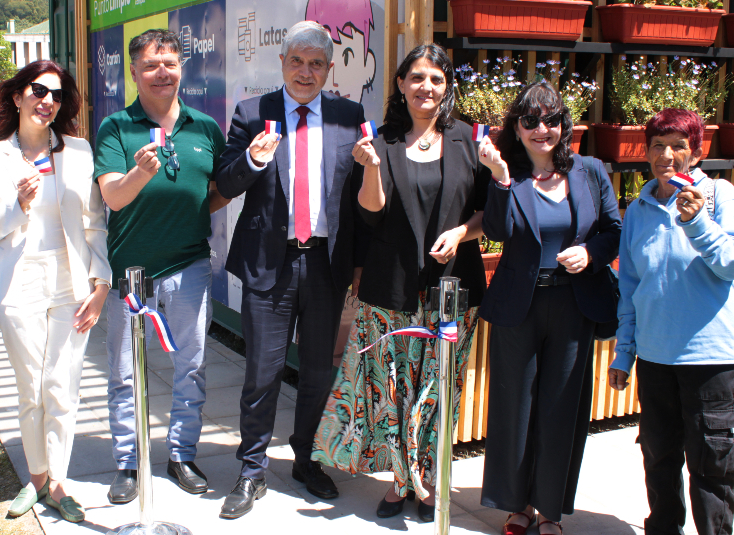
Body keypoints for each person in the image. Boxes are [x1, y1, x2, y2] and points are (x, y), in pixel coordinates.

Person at [312, 44, 490, 522]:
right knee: (393, 390)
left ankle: (427, 481)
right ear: (400, 84)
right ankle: (398, 481)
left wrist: (461, 232)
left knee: (437, 390)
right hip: (390, 288)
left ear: (447, 85)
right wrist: (370, 167)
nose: (425, 87)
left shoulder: (469, 140)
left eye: (435, 78)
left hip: (452, 290)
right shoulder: (381, 140)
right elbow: (370, 213)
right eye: (416, 78)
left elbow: (489, 211)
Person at [213, 20, 367, 519]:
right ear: (281, 63)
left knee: (319, 371)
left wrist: (360, 265)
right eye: (297, 61)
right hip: (269, 264)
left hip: (325, 263)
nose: (306, 71)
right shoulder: (252, 112)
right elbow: (226, 182)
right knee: (262, 372)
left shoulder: (349, 116)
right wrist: (254, 163)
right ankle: (251, 470)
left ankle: (306, 459)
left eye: (316, 63)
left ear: (329, 69)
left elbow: (360, 199)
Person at [476, 81, 621, 535]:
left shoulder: (590, 170)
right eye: (531, 121)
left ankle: (550, 509)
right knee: (513, 406)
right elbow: (496, 230)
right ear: (516, 128)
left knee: (562, 409)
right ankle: (516, 504)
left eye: (552, 119)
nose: (543, 129)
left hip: (572, 303)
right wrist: (500, 177)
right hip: (520, 304)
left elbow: (614, 228)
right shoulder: (507, 174)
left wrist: (592, 253)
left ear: (565, 125)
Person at [0, 60, 111, 523]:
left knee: (62, 385)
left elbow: (94, 221)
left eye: (56, 94)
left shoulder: (78, 150)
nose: (46, 100)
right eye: (37, 90)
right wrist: (19, 204)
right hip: (17, 285)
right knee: (30, 386)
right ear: (17, 97)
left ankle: (58, 483)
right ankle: (34, 478)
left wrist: (102, 279)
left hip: (71, 280)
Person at [94, 28, 229, 503]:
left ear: (181, 68)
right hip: (130, 272)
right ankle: (128, 464)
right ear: (133, 71)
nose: (161, 72)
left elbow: (214, 195)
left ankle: (180, 454)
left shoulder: (204, 127)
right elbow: (112, 195)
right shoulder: (116, 127)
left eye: (170, 63)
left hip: (189, 267)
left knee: (190, 365)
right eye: (151, 64)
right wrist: (140, 173)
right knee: (126, 372)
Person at [608, 108, 734, 535]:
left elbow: (730, 266)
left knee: (711, 467)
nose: (667, 155)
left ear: (696, 153)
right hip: (656, 357)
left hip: (710, 360)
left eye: (679, 146)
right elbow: (630, 288)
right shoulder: (638, 210)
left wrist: (696, 222)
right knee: (659, 460)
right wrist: (623, 354)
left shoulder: (719, 196)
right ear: (646, 153)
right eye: (658, 145)